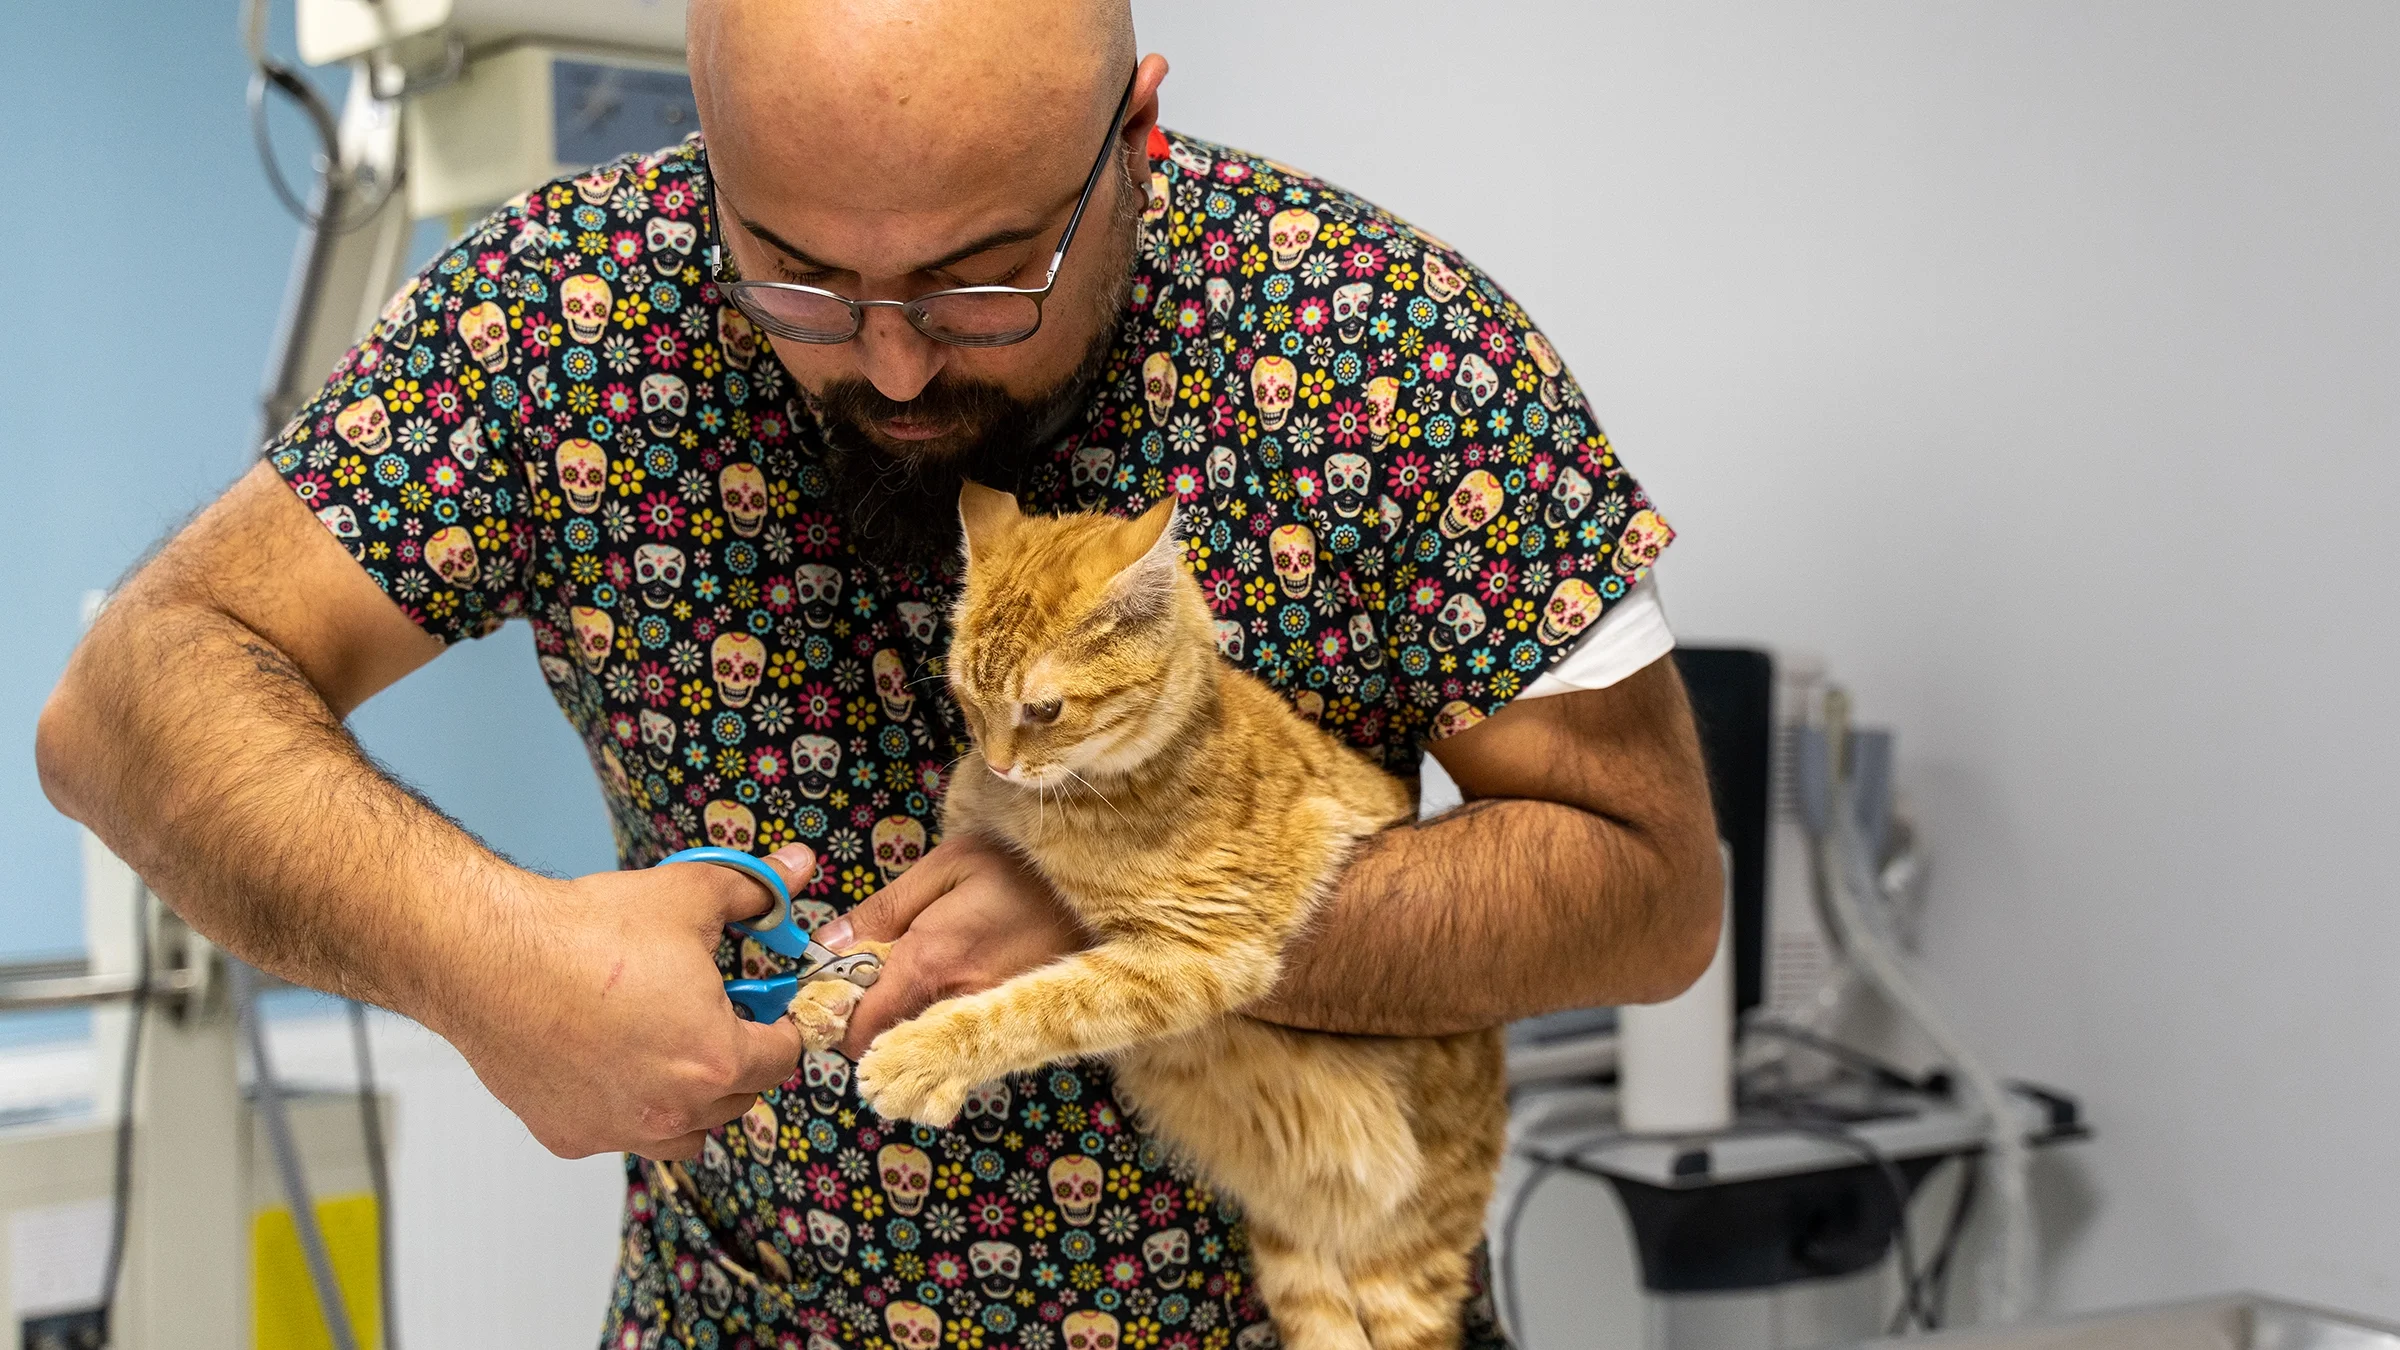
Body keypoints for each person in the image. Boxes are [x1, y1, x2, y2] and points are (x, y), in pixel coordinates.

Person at [37, 1, 1722, 1344]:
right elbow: (127, 701)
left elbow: (1648, 888)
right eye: (801, 273)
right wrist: (489, 960)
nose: (895, 359)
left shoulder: (1385, 353)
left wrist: (1142, 911)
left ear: (1132, 137)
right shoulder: (570, 320)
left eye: (983, 277)